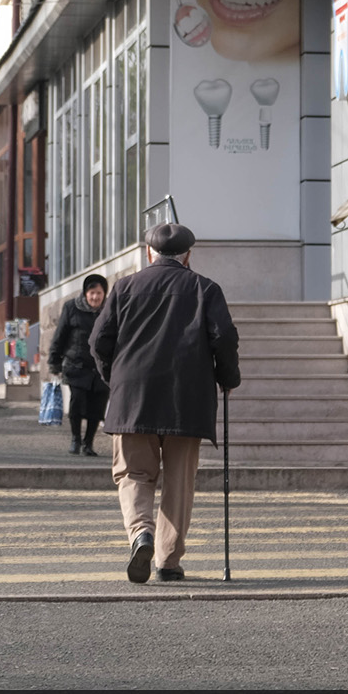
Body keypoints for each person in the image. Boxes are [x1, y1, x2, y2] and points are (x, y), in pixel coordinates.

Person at [89, 223, 240, 584]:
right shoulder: (205, 288)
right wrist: (228, 378)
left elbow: (98, 341)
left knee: (133, 475)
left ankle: (141, 533)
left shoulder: (124, 287)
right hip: (185, 400)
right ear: (188, 256)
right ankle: (168, 561)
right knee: (179, 481)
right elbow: (225, 338)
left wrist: (116, 378)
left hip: (133, 399)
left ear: (147, 253)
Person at [47, 273, 109, 456]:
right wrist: (54, 361)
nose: (95, 297)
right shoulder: (71, 308)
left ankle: (88, 443)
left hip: (101, 369)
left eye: (99, 293)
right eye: (92, 293)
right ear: (85, 293)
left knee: (97, 408)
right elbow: (60, 336)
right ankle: (75, 439)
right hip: (77, 365)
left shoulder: (110, 310)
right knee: (77, 404)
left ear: (104, 293)